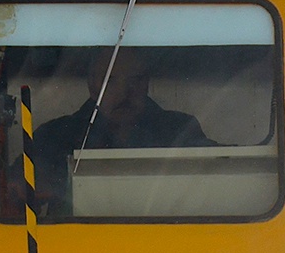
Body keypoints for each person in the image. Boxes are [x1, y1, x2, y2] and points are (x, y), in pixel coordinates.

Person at [27, 50, 213, 214]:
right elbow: (16, 193)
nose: (124, 92)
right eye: (109, 80)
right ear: (92, 85)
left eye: (135, 80)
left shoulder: (180, 130)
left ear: (146, 83)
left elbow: (219, 167)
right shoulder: (54, 137)